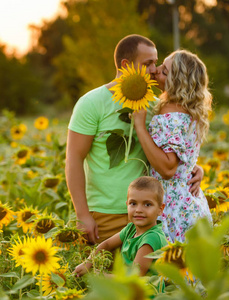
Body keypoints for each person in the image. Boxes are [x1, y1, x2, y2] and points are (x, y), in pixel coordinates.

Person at [65, 34, 203, 244]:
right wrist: (82, 214)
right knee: (101, 274)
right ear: (126, 65)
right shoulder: (92, 103)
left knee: (143, 276)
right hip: (105, 212)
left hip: (147, 213)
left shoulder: (155, 106)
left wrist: (194, 168)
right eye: (147, 63)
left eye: (156, 63)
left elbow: (172, 148)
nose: (154, 70)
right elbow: (74, 158)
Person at [133, 50, 213, 243]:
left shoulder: (172, 111)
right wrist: (194, 169)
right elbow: (182, 157)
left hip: (173, 209)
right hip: (189, 205)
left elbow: (168, 168)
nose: (156, 70)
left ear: (176, 82)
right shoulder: (187, 109)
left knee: (169, 268)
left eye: (164, 71)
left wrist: (139, 126)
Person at [74, 176, 168, 277]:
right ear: (127, 205)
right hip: (127, 288)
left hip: (145, 291)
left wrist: (101, 276)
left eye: (147, 204)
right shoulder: (131, 229)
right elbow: (106, 245)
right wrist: (87, 263)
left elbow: (134, 276)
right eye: (133, 203)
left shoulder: (151, 238)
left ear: (160, 209)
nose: (138, 210)